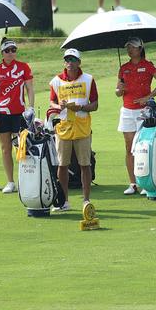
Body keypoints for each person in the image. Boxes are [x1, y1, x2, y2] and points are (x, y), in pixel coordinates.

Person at [115, 38, 156, 195]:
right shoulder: (123, 68)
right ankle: (133, 184)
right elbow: (117, 92)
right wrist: (120, 90)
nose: (130, 50)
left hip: (143, 111)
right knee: (129, 147)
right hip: (127, 111)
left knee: (143, 147)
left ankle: (145, 182)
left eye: (133, 47)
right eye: (128, 47)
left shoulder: (148, 66)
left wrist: (149, 97)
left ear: (140, 49)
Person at [48, 48, 98, 211]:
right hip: (63, 127)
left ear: (79, 62)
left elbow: (95, 104)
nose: (70, 63)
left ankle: (86, 200)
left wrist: (81, 107)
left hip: (82, 126)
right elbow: (52, 103)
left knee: (85, 164)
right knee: (62, 165)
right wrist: (59, 106)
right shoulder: (56, 81)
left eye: (73, 60)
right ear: (64, 62)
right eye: (67, 59)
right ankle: (64, 201)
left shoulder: (89, 79)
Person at [0, 38, 34, 194]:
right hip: (1, 114)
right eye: (7, 50)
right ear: (2, 52)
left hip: (19, 114)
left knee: (22, 147)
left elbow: (29, 89)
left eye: (13, 50)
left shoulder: (23, 67)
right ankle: (10, 182)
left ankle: (25, 180)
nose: (11, 53)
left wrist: (31, 108)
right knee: (5, 148)